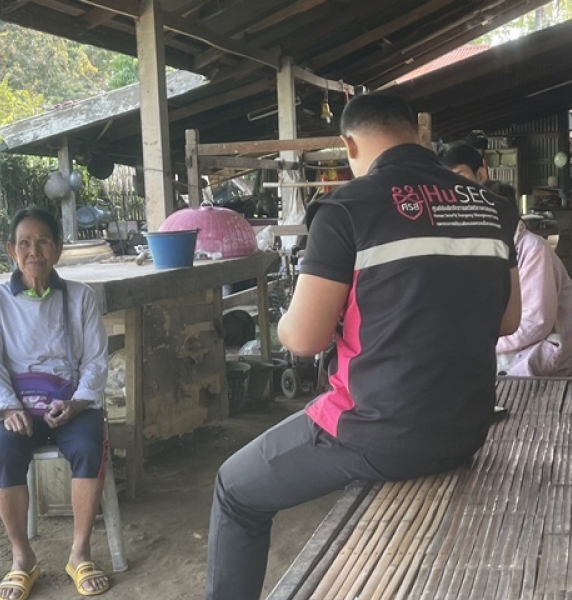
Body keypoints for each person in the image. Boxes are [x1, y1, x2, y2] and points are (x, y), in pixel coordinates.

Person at [204, 93, 521, 600]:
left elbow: (304, 339)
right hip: (467, 427)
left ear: (348, 145)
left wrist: (295, 320)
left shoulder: (346, 209)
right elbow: (508, 320)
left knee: (234, 489)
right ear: (418, 134)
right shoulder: (492, 207)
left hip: (379, 432)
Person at [0, 207, 111, 600]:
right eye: (24, 243)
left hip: (69, 403)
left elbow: (96, 360)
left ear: (58, 248)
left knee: (89, 444)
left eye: (43, 242)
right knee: (3, 450)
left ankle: (80, 554)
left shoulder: (80, 298)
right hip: (16, 407)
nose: (34, 251)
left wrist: (78, 404)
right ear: (11, 251)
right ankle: (23, 559)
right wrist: (8, 408)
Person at [438, 141, 572, 376]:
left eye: (459, 177)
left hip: (537, 348)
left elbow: (536, 323)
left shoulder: (533, 249)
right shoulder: (477, 247)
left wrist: (478, 344)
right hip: (499, 345)